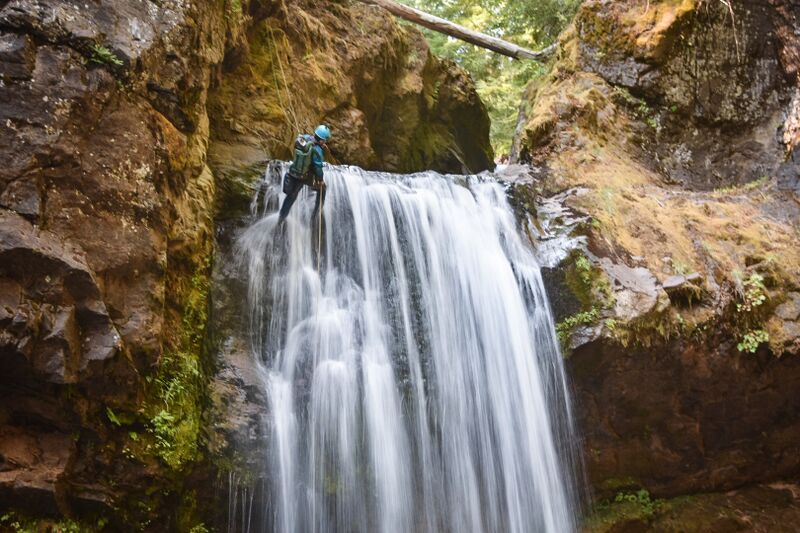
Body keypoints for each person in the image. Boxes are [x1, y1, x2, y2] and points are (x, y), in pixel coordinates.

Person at [278, 124, 331, 223]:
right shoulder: (317, 150)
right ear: (322, 140)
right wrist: (320, 180)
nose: (325, 142)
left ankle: (281, 217)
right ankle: (316, 216)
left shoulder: (305, 138)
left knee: (292, 196)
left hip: (294, 171)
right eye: (325, 140)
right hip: (305, 176)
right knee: (322, 189)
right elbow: (318, 167)